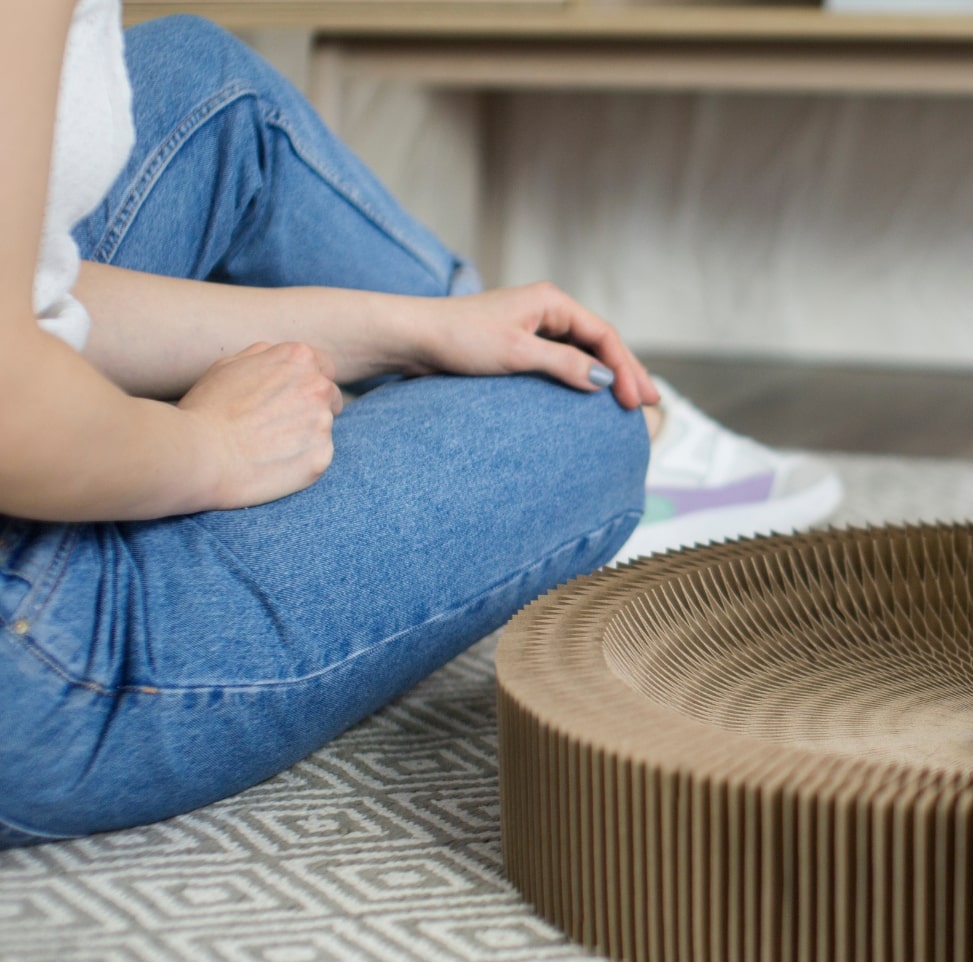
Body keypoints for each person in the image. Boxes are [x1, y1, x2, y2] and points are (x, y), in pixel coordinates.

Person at [0, 3, 839, 847]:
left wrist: (408, 326)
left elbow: (37, 301)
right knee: (581, 414)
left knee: (204, 87)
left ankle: (619, 418)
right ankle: (633, 444)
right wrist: (212, 446)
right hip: (33, 641)